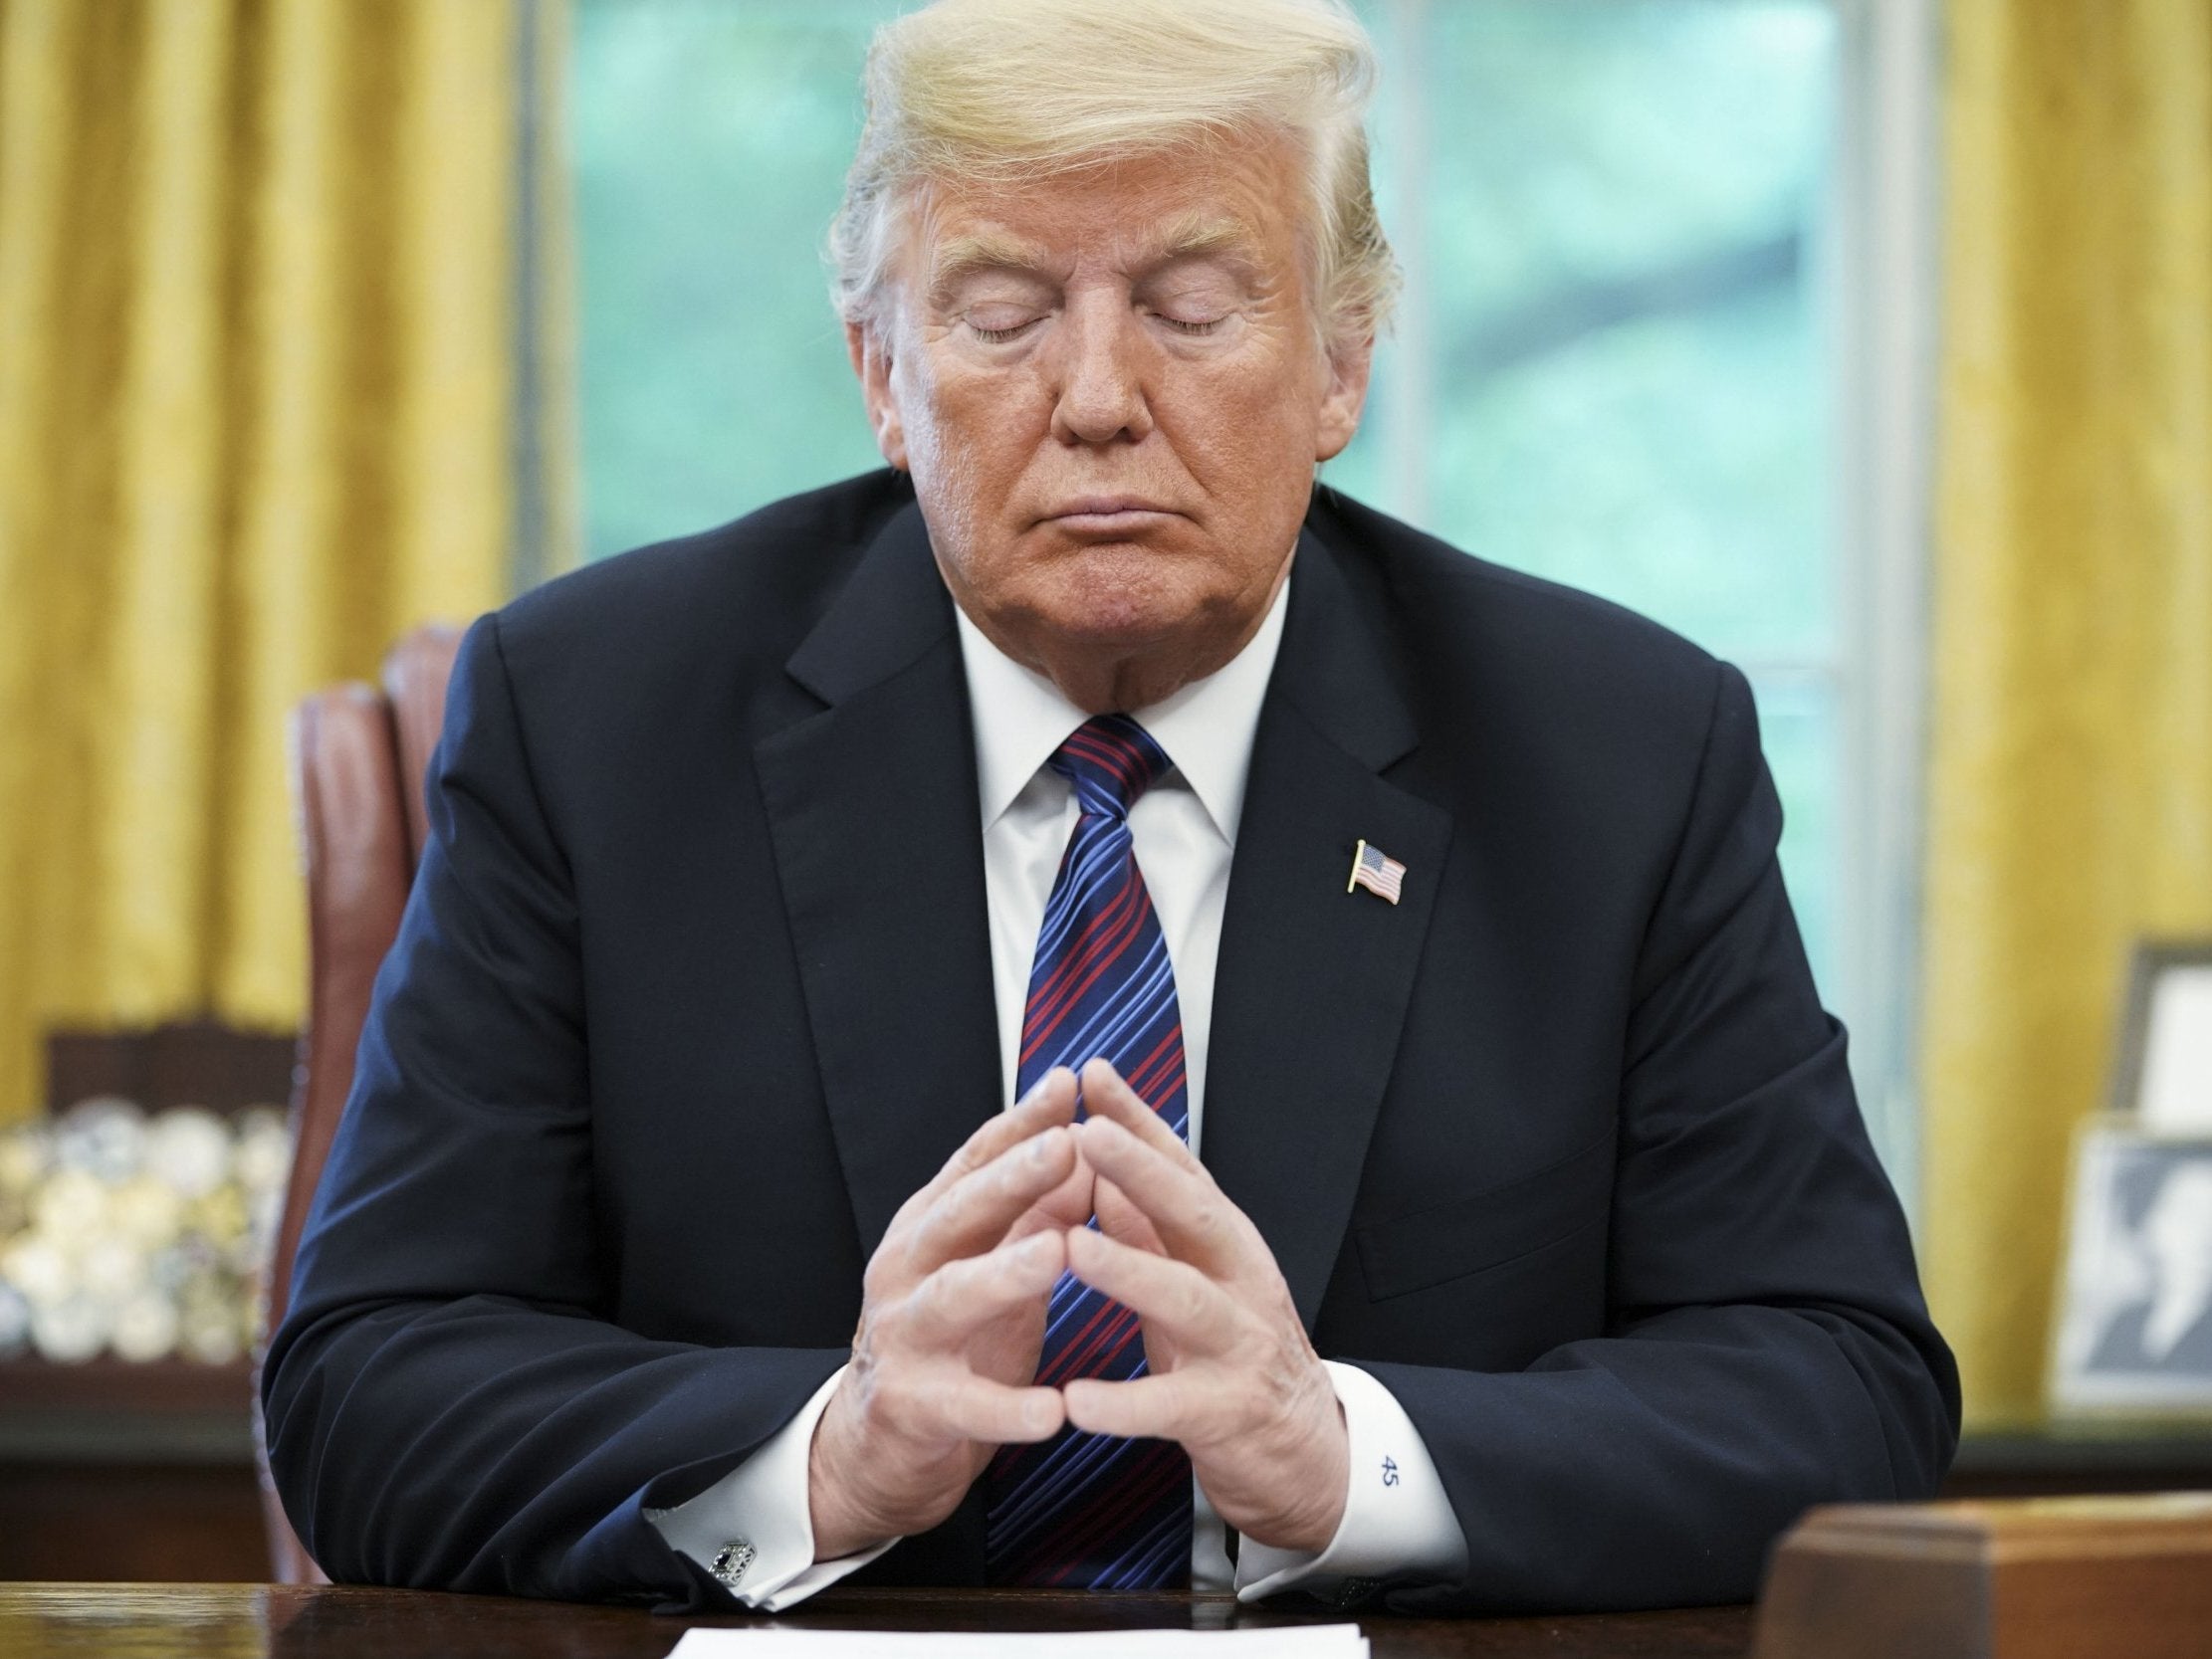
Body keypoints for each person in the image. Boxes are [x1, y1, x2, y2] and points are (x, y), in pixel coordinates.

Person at [263, 0, 1958, 1616]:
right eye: (1001, 315)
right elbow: (368, 1386)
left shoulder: (1613, 755)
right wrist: (833, 1454)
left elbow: (1838, 1383)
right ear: (880, 371)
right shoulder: (596, 722)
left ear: (1340, 362)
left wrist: (1341, 1455)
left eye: (1194, 305)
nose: (1094, 397)